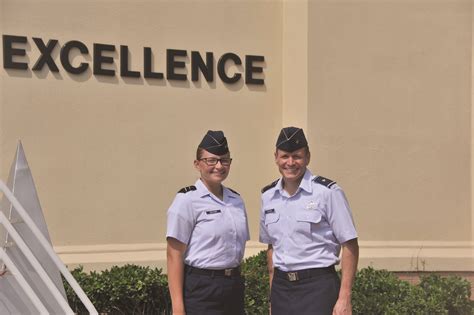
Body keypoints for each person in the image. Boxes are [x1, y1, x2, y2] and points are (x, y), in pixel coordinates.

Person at [259, 127, 359, 315]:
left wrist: (344, 297)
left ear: (307, 157)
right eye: (284, 156)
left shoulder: (328, 192)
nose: (290, 162)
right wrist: (273, 296)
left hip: (318, 287)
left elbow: (350, 244)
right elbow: (272, 248)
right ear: (276, 158)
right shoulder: (268, 196)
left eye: (296, 156)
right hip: (281, 288)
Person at [166, 130, 249, 315]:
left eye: (224, 160)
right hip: (201, 288)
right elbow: (174, 255)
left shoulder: (236, 200)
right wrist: (178, 307)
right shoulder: (187, 200)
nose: (218, 166)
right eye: (211, 160)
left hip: (233, 286)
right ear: (197, 164)